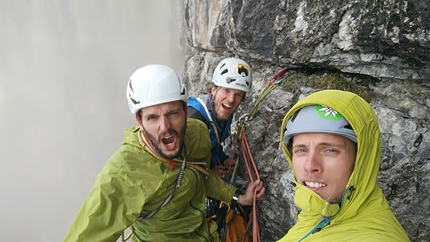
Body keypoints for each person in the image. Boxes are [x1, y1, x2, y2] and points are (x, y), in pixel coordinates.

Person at [63, 64, 265, 242]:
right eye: (152, 118)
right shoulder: (125, 172)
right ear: (140, 121)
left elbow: (202, 175)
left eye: (173, 113)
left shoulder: (198, 134)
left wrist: (238, 198)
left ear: (185, 111)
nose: (165, 127)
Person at [277, 89, 410, 241]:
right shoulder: (314, 215)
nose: (310, 165)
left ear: (361, 159)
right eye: (301, 150)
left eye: (330, 150)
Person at [187, 57, 252, 178]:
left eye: (238, 95)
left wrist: (222, 160)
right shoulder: (194, 119)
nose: (231, 100)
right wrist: (208, 174)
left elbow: (212, 145)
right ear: (213, 90)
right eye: (226, 91)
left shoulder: (224, 113)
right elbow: (182, 164)